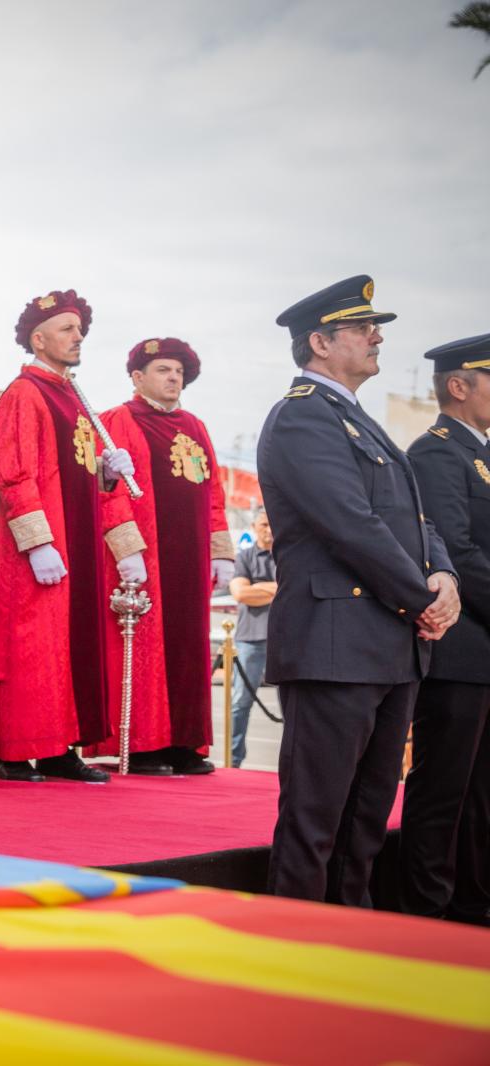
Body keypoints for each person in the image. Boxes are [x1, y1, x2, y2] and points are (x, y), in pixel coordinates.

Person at [257, 275, 458, 906]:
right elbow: (350, 523)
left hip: (386, 643)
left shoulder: (355, 419)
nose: (377, 338)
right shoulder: (302, 418)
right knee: (316, 822)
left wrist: (444, 575)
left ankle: (352, 943)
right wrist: (422, 598)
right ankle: (293, 955)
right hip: (335, 645)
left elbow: (416, 519)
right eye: (363, 328)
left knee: (365, 824)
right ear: (320, 342)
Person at [0, 290, 144, 784]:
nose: (78, 337)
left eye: (79, 329)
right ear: (39, 337)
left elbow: (82, 479)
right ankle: (15, 751)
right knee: (30, 646)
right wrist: (36, 541)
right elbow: (11, 472)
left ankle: (59, 748)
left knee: (66, 648)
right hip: (37, 548)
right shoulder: (23, 395)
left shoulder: (76, 399)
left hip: (78, 543)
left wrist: (108, 474)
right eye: (68, 329)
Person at [87, 338, 232, 775]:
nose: (174, 379)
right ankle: (145, 745)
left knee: (190, 649)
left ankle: (186, 743)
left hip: (190, 557)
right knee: (146, 651)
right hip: (146, 555)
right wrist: (127, 550)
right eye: (164, 370)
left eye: (179, 372)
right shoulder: (118, 421)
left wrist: (220, 550)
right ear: (138, 377)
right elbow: (107, 494)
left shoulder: (195, 425)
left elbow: (215, 492)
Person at [402, 332, 490, 925]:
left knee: (481, 793)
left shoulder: (475, 452)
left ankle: (473, 901)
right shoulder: (436, 452)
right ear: (459, 386)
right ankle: (427, 910)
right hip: (459, 649)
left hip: (483, 650)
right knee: (443, 788)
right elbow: (454, 550)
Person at [228, 509, 277, 768]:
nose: (269, 530)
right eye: (264, 524)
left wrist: (256, 588)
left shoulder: (288, 556)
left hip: (285, 640)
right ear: (254, 525)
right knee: (240, 703)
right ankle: (233, 758)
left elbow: (293, 590)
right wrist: (275, 589)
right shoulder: (244, 557)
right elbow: (240, 594)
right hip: (250, 639)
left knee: (292, 706)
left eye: (273, 524)